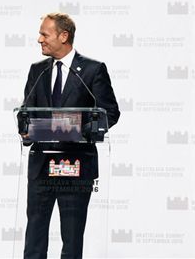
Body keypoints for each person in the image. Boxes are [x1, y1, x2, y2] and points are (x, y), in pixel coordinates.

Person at [19, 13, 120, 259]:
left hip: (75, 165)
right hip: (42, 165)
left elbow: (110, 113)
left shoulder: (93, 70)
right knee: (34, 237)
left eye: (45, 34)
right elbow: (25, 110)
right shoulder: (38, 70)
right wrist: (25, 127)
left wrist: (72, 127)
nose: (39, 39)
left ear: (64, 36)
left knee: (72, 238)